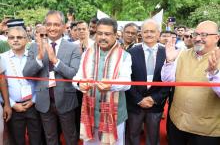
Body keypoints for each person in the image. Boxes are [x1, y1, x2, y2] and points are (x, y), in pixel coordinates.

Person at [23, 10, 81, 145]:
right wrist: (39, 57)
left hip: (66, 100)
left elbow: (74, 74)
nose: (52, 28)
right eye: (49, 24)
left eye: (56, 24)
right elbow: (26, 73)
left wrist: (55, 61)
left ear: (63, 26)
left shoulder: (73, 48)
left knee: (70, 137)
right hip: (44, 101)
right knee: (50, 138)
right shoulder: (34, 47)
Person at [73, 17, 132, 145]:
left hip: (114, 116)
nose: (102, 37)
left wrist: (111, 86)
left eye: (107, 34)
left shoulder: (125, 56)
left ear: (115, 35)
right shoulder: (87, 54)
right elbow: (77, 77)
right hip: (90, 114)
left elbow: (127, 83)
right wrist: (79, 84)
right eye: (99, 33)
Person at [161, 20, 220, 145]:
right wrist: (170, 61)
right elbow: (167, 81)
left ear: (216, 37)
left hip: (205, 130)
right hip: (177, 123)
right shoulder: (182, 54)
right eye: (195, 34)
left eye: (204, 35)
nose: (198, 38)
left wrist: (214, 74)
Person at [126, 19, 170, 145]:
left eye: (152, 31)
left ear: (158, 33)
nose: (149, 34)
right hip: (135, 103)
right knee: (132, 135)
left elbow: (170, 80)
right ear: (141, 33)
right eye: (146, 31)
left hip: (155, 104)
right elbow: (127, 78)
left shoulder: (168, 53)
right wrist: (139, 99)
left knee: (153, 136)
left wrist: (154, 98)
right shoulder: (130, 53)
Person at [1, 26, 42, 145]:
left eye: (19, 37)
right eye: (11, 37)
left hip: (33, 105)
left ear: (27, 39)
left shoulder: (35, 57)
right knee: (17, 141)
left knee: (37, 140)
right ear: (7, 40)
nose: (15, 40)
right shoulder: (1, 58)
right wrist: (12, 104)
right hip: (13, 107)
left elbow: (41, 82)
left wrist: (33, 100)